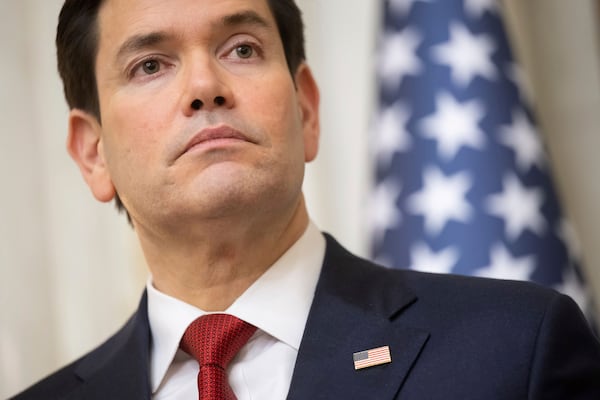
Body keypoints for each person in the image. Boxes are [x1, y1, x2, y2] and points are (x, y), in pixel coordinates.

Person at [12, 0, 600, 398]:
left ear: (306, 109)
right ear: (92, 153)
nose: (204, 87)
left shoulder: (515, 347)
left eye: (241, 49)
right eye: (150, 65)